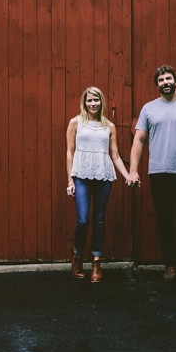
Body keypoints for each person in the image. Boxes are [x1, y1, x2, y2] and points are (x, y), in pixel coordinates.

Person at [129, 65, 176, 281]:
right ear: (157, 85)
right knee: (165, 221)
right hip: (158, 173)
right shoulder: (149, 109)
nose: (165, 82)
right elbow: (139, 140)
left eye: (168, 78)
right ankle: (170, 265)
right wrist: (133, 170)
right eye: (161, 80)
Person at [66, 86, 134, 283]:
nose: (93, 103)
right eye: (89, 100)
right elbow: (70, 152)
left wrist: (128, 175)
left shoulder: (109, 126)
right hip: (81, 174)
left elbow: (115, 155)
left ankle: (96, 262)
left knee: (99, 220)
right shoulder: (76, 122)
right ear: (84, 102)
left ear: (101, 102)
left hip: (103, 174)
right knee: (83, 220)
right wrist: (70, 180)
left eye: (96, 100)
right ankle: (77, 256)